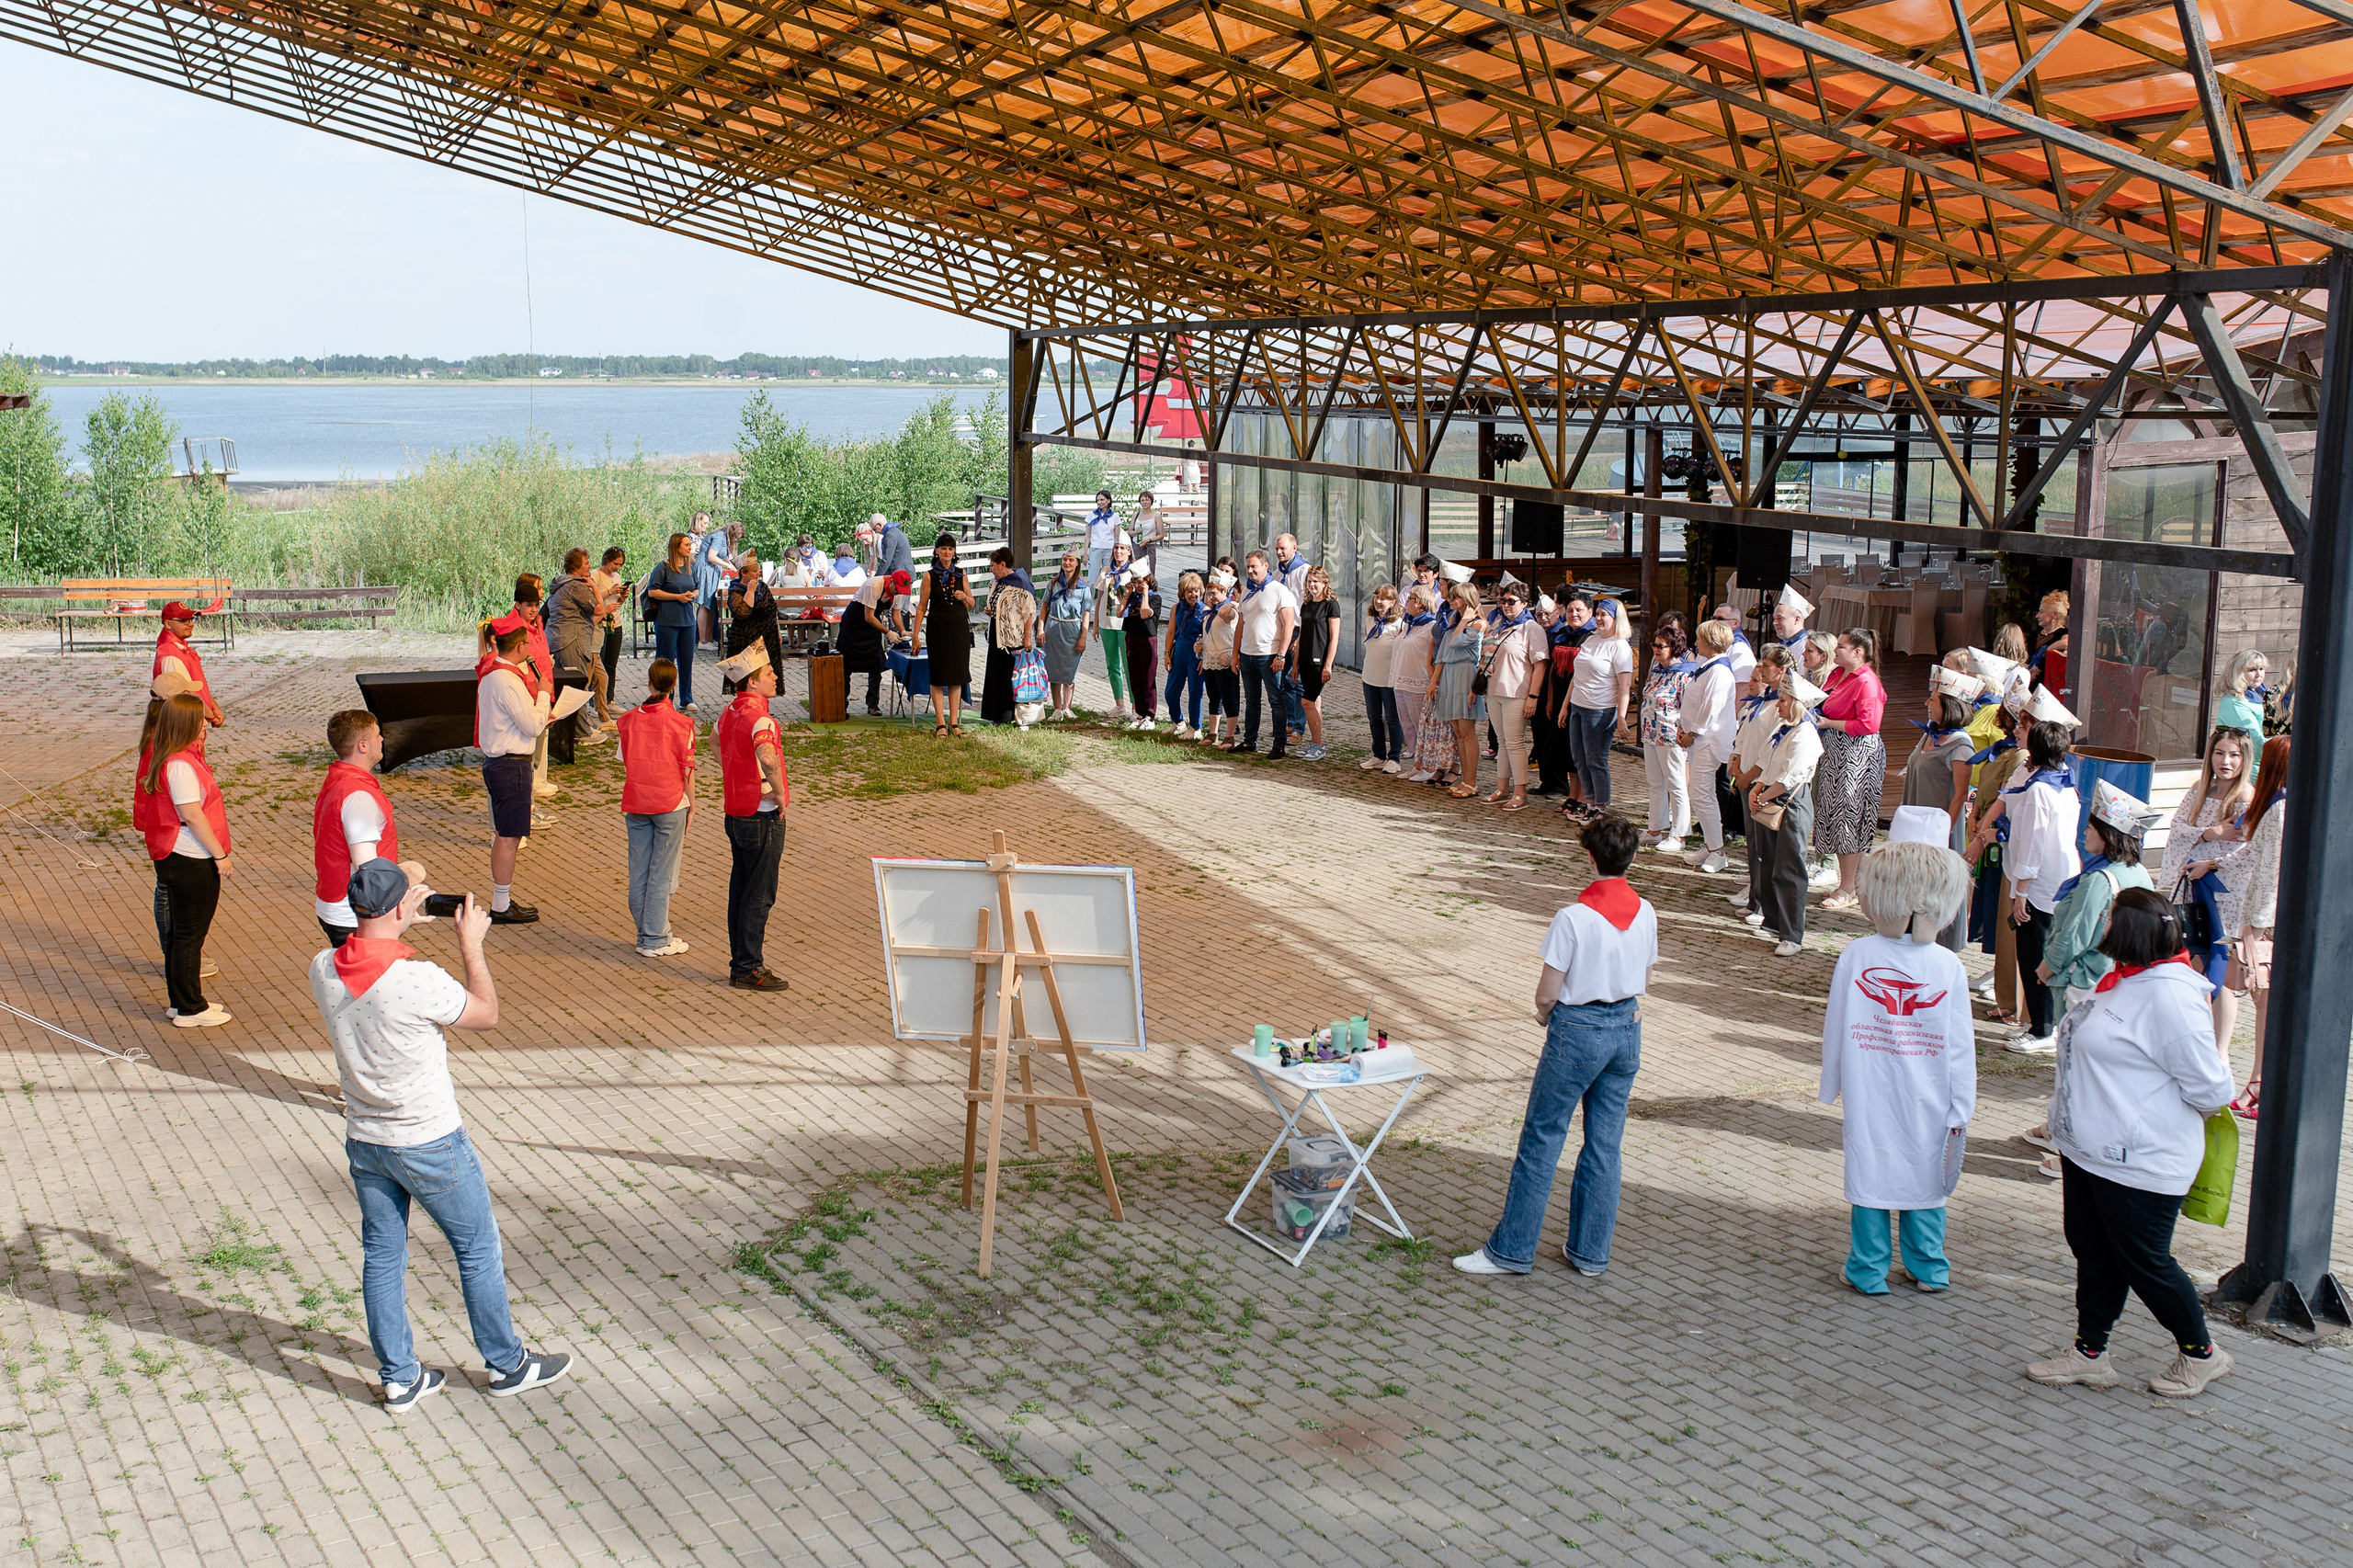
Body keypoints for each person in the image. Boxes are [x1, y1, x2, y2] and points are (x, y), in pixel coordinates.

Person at [309, 858, 573, 1411]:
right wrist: (471, 945)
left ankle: (400, 1377)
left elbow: (375, 923)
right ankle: (508, 1364)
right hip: (429, 1140)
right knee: (476, 1248)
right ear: (401, 907)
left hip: (366, 1139)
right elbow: (485, 1014)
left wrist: (400, 903)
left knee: (382, 1254)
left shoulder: (324, 967)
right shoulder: (417, 979)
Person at [2028, 889, 2237, 1399]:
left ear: (2127, 931)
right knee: (2093, 1251)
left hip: (2139, 1160)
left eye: (2108, 917)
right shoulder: (2125, 981)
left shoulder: (2169, 994)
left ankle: (2202, 1355)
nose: (2101, 921)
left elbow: (2212, 1088)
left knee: (2145, 1261)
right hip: (2089, 1152)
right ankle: (2089, 1353)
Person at [1453, 815, 1655, 1278]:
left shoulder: (1573, 917)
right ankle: (1590, 1252)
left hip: (1577, 1029)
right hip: (1626, 1026)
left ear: (1590, 857)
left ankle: (1512, 1249)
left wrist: (1547, 1015)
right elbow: (1644, 978)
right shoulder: (1645, 911)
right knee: (1605, 1144)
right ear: (1631, 858)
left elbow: (1548, 991)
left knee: (1543, 1137)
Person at [1820, 838, 1974, 1293]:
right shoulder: (1947, 965)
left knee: (1873, 1168)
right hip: (1931, 1089)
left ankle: (1868, 1269)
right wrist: (1962, 1102)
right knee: (1925, 1173)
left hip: (1871, 1083)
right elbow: (1960, 1045)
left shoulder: (1859, 954)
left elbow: (1836, 1024)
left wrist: (1833, 1082)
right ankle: (1929, 1267)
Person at [2156, 726, 2256, 1056]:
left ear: (2245, 758)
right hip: (2189, 886)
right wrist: (2211, 832)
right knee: (2192, 956)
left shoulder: (2247, 797)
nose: (2225, 761)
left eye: (2234, 755)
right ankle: (2192, 1042)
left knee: (2220, 963)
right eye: (2219, 753)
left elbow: (2247, 851)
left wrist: (2210, 861)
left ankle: (2221, 1051)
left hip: (2224, 894)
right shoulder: (2201, 788)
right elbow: (2178, 829)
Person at [136, 691, 233, 1027]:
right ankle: (191, 1007)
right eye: (201, 719)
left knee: (181, 935)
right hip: (189, 857)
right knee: (189, 936)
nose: (207, 723)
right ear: (186, 724)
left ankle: (182, 1002)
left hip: (181, 855)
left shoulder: (177, 759)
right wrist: (219, 855)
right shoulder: (180, 765)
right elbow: (192, 814)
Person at [2001, 688, 2083, 1054]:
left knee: (2034, 955)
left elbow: (2032, 846)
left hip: (2039, 887)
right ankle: (2045, 1024)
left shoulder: (2039, 792)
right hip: (2062, 881)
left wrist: (2020, 893)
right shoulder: (2065, 782)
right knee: (2048, 952)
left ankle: (2042, 1027)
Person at [2041, 780, 2161, 1017]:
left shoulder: (2099, 879)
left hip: (2087, 983)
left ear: (2107, 835)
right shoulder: (2139, 871)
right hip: (2124, 982)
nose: (2084, 832)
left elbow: (2075, 935)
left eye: (2090, 828)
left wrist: (2048, 967)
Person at [313, 710, 425, 949]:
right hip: (354, 914)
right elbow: (367, 868)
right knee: (366, 983)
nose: (382, 739)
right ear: (362, 746)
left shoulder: (339, 780)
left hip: (338, 904)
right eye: (377, 735)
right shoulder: (359, 796)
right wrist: (401, 907)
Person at [713, 644, 790, 992]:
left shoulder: (731, 711)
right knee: (759, 894)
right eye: (770, 674)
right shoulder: (761, 718)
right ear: (754, 681)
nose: (775, 677)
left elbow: (715, 742)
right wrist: (777, 790)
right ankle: (749, 966)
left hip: (736, 811)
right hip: (761, 815)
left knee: (741, 890)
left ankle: (740, 962)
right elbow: (768, 755)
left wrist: (735, 769)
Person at [2221, 734, 2288, 1118]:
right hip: (2266, 919)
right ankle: (2258, 1083)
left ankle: (2261, 1085)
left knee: (2264, 1004)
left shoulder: (2277, 808)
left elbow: (2269, 873)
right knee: (2264, 1006)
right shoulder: (2280, 805)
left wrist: (2256, 928)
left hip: (2265, 923)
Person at [473, 612, 552, 924]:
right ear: (519, 646)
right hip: (510, 765)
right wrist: (544, 693)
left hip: (500, 762)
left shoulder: (492, 674)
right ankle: (500, 903)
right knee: (509, 837)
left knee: (505, 834)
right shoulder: (507, 681)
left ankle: (502, 899)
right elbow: (533, 725)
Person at [618, 659, 696, 958]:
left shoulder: (627, 721)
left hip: (637, 802)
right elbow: (687, 771)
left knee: (639, 873)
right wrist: (692, 806)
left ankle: (645, 934)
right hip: (670, 803)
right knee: (661, 873)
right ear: (674, 686)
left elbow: (625, 760)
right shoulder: (682, 724)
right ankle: (655, 937)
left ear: (649, 683)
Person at [1901, 665, 1982, 950]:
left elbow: (1960, 794)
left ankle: (1941, 941)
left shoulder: (1960, 746)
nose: (1926, 704)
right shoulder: (1931, 734)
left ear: (1948, 705)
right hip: (1915, 821)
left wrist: (1942, 831)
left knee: (1936, 885)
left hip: (1937, 828)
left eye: (1932, 699)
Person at [1750, 667, 1827, 956]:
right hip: (1770, 796)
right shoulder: (1784, 729)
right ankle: (1774, 921)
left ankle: (1793, 934)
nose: (1778, 704)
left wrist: (1761, 795)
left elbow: (1790, 777)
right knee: (1769, 862)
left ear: (1795, 703)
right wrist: (1758, 788)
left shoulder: (1805, 734)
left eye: (1783, 700)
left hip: (1790, 802)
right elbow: (1767, 763)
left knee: (1790, 867)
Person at [1812, 629, 1888, 909]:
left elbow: (1869, 725)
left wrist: (1828, 723)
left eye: (1841, 647)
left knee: (1849, 819)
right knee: (1834, 814)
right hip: (1835, 752)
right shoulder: (1837, 674)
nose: (1836, 651)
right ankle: (1850, 883)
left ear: (1858, 653)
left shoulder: (1866, 681)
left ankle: (1847, 888)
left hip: (1856, 756)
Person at [1726, 644, 1793, 925]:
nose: (1761, 670)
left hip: (1762, 781)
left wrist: (1752, 774)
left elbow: (1771, 749)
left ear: (1780, 670)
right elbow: (1745, 736)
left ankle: (1766, 905)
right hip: (1745, 778)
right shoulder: (1760, 700)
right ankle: (1755, 899)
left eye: (1766, 666)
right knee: (1754, 846)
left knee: (1767, 847)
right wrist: (1734, 763)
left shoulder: (1782, 705)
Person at [1678, 620, 1739, 872]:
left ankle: (1717, 851)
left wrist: (1693, 732)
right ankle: (1709, 843)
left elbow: (1710, 708)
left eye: (1700, 639)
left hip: (1707, 740)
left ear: (1712, 644)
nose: (1696, 643)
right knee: (1698, 793)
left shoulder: (1719, 672)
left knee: (1702, 794)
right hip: (1698, 738)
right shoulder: (1708, 667)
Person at [1564, 597, 1633, 807]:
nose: (1599, 619)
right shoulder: (1591, 639)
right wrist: (1565, 706)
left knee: (1596, 761)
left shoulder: (1620, 646)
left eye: (1604, 615)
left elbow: (1625, 686)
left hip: (1600, 710)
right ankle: (1589, 803)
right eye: (1597, 614)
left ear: (1616, 618)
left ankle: (1601, 806)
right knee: (1579, 759)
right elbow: (1577, 675)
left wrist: (1621, 717)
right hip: (1579, 705)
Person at [1482, 583, 1546, 809]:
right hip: (1495, 689)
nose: (1506, 605)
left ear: (1525, 603)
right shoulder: (1498, 624)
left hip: (1516, 691)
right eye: (1503, 601)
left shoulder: (1531, 628)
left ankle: (1520, 792)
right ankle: (1502, 787)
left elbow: (1540, 665)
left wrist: (1533, 697)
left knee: (1515, 742)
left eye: (1512, 601)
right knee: (1501, 742)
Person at [1233, 549, 1299, 757]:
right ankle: (1249, 741)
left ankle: (1279, 744)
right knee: (1252, 700)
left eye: (1254, 566)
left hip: (1269, 654)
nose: (1250, 570)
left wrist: (1281, 655)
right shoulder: (1246, 591)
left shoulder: (1279, 590)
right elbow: (1241, 625)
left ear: (1265, 566)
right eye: (1248, 567)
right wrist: (1236, 653)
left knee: (1276, 700)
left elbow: (1289, 625)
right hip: (1247, 654)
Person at [545, 549, 611, 748]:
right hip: (571, 640)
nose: (590, 566)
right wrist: (593, 585)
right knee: (577, 686)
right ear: (576, 566)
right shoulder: (576, 586)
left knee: (565, 687)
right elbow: (599, 608)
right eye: (586, 563)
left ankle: (571, 729)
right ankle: (582, 733)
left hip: (557, 639)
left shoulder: (561, 584)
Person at [912, 530, 974, 736]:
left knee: (956, 675)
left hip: (958, 629)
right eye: (943, 548)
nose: (947, 552)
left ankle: (954, 723)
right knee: (938, 675)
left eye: (950, 549)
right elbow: (921, 607)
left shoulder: (961, 574)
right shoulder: (929, 576)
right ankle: (940, 722)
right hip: (938, 629)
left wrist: (964, 596)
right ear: (937, 551)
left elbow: (971, 604)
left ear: (954, 552)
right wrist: (915, 635)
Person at [1432, 583, 1488, 800]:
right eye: (1450, 597)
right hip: (1450, 676)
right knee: (1458, 733)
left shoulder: (1478, 623)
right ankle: (1465, 779)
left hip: (1464, 675)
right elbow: (1444, 651)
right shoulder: (1456, 621)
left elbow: (1456, 642)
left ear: (1466, 599)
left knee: (1467, 731)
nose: (1451, 601)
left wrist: (1465, 619)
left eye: (1455, 598)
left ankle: (1472, 781)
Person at [642, 533, 702, 711]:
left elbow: (697, 588)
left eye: (689, 544)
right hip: (667, 620)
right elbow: (653, 592)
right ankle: (664, 698)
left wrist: (693, 595)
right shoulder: (663, 568)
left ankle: (686, 698)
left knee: (686, 660)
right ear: (676, 547)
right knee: (665, 661)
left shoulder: (690, 568)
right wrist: (677, 597)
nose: (689, 547)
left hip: (688, 621)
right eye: (686, 544)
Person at [983, 548, 1038, 728]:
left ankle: (1009, 715)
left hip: (1014, 638)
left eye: (993, 565)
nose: (991, 569)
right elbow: (995, 602)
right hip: (997, 636)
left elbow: (1029, 612)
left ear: (1002, 565)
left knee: (1009, 677)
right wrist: (991, 610)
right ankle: (995, 715)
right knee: (995, 675)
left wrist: (1028, 638)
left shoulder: (1021, 583)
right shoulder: (996, 582)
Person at [153, 601, 227, 729]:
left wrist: (214, 706)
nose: (191, 624)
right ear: (168, 624)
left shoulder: (180, 647)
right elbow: (187, 693)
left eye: (192, 619)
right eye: (184, 620)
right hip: (185, 725)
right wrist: (211, 716)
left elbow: (196, 683)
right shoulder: (170, 654)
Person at [1293, 565, 1342, 759]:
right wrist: (1295, 663)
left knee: (1307, 702)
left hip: (1318, 661)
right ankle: (1314, 743)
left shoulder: (1331, 605)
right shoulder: (1306, 604)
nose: (1312, 585)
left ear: (1324, 583)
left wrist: (1328, 664)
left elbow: (1334, 637)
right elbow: (1302, 634)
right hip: (1304, 659)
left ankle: (1319, 745)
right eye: (1310, 581)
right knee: (1314, 703)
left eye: (1316, 582)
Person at [1091, 538, 1142, 723]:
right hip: (1107, 624)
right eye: (1116, 548)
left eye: (1122, 548)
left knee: (1129, 667)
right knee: (1113, 665)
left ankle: (1136, 706)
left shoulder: (1133, 572)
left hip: (1125, 626)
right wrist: (1095, 624)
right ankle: (1119, 705)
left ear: (1129, 551)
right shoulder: (1106, 572)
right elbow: (1100, 599)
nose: (1118, 551)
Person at [1394, 585, 1441, 779]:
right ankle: (1417, 763)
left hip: (1418, 681)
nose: (1406, 603)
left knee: (1421, 726)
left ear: (1420, 603)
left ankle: (1428, 767)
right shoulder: (1408, 624)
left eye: (1410, 599)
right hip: (1401, 680)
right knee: (1408, 725)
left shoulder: (1431, 626)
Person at [1040, 550, 1091, 722]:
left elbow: (1086, 613)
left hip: (1072, 630)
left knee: (1069, 670)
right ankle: (1056, 708)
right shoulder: (1053, 583)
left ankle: (1067, 707)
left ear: (1077, 563)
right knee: (1054, 669)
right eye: (1064, 559)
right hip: (1053, 628)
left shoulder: (1084, 588)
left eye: (1071, 560)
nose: (1067, 563)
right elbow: (1044, 607)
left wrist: (1083, 636)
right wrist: (1041, 628)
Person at [1358, 584, 1403, 770]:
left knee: (1392, 718)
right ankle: (1378, 754)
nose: (1378, 601)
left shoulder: (1399, 623)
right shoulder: (1370, 621)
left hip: (1388, 679)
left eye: (1383, 598)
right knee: (1373, 717)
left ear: (1392, 602)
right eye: (1377, 596)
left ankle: (1394, 758)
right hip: (1370, 676)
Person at [1273, 534, 1312, 744]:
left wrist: (1301, 637)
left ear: (1294, 548)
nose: (1279, 552)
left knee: (1295, 679)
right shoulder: (1278, 572)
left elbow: (1307, 606)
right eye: (1277, 548)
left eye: (1283, 548)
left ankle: (1299, 726)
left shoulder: (1304, 571)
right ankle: (1289, 722)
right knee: (1283, 680)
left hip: (1297, 631)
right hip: (1281, 630)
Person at [1198, 569, 1242, 747]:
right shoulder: (1209, 611)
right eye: (1208, 593)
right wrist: (1199, 646)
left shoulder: (1228, 609)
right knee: (1213, 696)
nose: (1210, 597)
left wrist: (1229, 602)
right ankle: (1213, 732)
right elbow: (1207, 634)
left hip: (1225, 658)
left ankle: (1230, 735)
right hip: (1210, 658)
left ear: (1225, 591)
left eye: (1214, 593)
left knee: (1228, 695)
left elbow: (1225, 615)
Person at [1165, 570, 1210, 740]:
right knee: (1171, 692)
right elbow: (1170, 632)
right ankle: (1179, 721)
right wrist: (1167, 654)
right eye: (1190, 591)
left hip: (1196, 654)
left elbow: (1208, 637)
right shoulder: (1176, 608)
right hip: (1180, 651)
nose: (1193, 594)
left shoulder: (1205, 610)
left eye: (1197, 590)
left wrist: (1203, 658)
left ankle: (1196, 727)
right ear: (1183, 592)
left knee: (1195, 691)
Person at [1116, 556, 1159, 732]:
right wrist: (1127, 594)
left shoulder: (1155, 598)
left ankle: (1150, 715)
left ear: (1148, 580)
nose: (1138, 585)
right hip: (1132, 637)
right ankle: (1139, 714)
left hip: (1147, 639)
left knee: (1148, 677)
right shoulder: (1132, 597)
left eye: (1140, 582)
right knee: (1135, 676)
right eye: (1134, 582)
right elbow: (1119, 613)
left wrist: (1146, 593)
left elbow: (1144, 614)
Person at [590, 546, 631, 698]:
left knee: (611, 664)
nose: (617, 568)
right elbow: (592, 598)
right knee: (598, 663)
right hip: (601, 622)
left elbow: (617, 601)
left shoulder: (617, 577)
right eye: (615, 564)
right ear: (607, 559)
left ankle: (610, 698)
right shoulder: (595, 574)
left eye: (620, 565)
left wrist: (622, 597)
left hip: (615, 622)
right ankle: (596, 699)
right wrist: (610, 591)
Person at [692, 514, 737, 647]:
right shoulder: (719, 537)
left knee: (711, 606)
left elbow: (727, 556)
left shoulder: (724, 539)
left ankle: (710, 639)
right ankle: (703, 640)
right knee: (704, 604)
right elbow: (711, 556)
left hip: (713, 572)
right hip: (706, 571)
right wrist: (727, 565)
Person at [2212, 651, 2269, 750]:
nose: (2258, 674)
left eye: (2261, 669)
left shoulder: (2263, 694)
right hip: (2251, 763)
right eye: (2252, 670)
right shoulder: (2235, 702)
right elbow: (2257, 743)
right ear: (2238, 672)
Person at [2029, 588, 2070, 696]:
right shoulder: (2033, 635)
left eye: (2042, 612)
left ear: (2054, 615)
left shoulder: (2062, 633)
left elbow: (2066, 643)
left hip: (2047, 689)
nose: (2037, 616)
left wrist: (2044, 652)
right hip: (2029, 686)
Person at [1084, 490, 1123, 588]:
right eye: (1098, 500)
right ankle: (1089, 603)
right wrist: (1085, 553)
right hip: (1095, 548)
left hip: (1109, 549)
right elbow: (1087, 535)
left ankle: (1106, 603)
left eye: (1102, 500)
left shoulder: (1114, 516)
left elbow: (1116, 537)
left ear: (1108, 500)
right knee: (1092, 580)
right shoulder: (1091, 515)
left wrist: (1117, 553)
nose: (1099, 502)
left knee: (1109, 578)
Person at [1131, 487, 1167, 583]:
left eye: (1147, 500)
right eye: (1142, 500)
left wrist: (1149, 540)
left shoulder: (1156, 516)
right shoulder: (1136, 514)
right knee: (1136, 572)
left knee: (1150, 572)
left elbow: (1161, 535)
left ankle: (1150, 593)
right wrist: (1136, 532)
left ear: (1151, 501)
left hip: (1149, 546)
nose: (1144, 502)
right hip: (1137, 545)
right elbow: (1130, 532)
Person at [870, 512, 915, 579]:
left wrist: (875, 578)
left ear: (879, 525)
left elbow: (886, 559)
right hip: (904, 573)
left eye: (874, 529)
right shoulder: (894, 531)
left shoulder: (890, 535)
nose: (875, 532)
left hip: (902, 576)